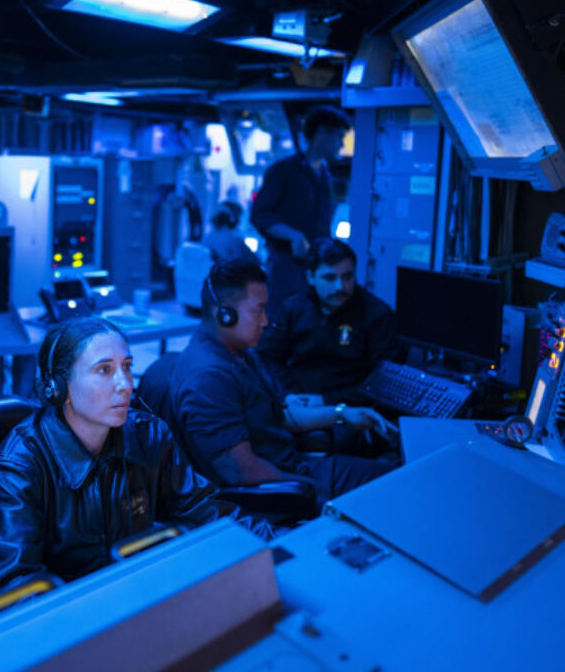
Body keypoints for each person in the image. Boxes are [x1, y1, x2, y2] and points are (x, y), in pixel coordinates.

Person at [0, 317, 266, 599]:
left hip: (133, 601)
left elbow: (208, 514)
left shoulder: (149, 436)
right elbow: (12, 589)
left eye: (127, 366)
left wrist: (281, 545)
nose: (125, 384)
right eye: (104, 370)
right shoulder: (19, 469)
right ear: (58, 388)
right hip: (69, 627)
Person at [170, 259, 392, 507]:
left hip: (295, 466)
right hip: (284, 485)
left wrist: (342, 413)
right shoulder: (209, 378)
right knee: (392, 489)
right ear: (224, 314)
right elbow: (242, 473)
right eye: (259, 310)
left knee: (395, 475)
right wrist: (310, 491)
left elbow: (281, 417)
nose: (265, 321)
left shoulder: (237, 353)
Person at [258, 238, 402, 408]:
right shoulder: (294, 308)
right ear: (311, 277)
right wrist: (287, 394)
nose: (340, 286)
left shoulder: (377, 314)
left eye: (347, 277)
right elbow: (267, 357)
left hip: (351, 407)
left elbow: (385, 381)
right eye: (329, 278)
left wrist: (328, 401)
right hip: (297, 400)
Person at [249, 107, 349, 309]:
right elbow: (259, 214)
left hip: (315, 265)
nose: (341, 145)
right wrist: (293, 235)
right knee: (281, 325)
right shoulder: (284, 170)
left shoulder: (325, 175)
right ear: (322, 132)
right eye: (339, 136)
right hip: (287, 266)